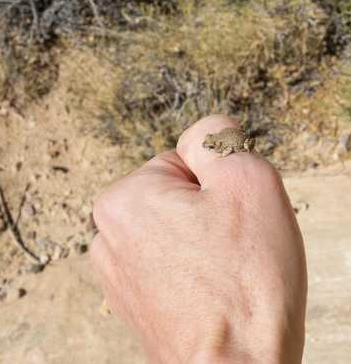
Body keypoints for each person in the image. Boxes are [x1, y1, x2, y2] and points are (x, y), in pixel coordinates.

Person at [90, 115, 308, 363]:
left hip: (237, 143)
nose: (210, 148)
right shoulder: (217, 143)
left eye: (211, 147)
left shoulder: (224, 147)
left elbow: (229, 147)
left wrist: (214, 348)